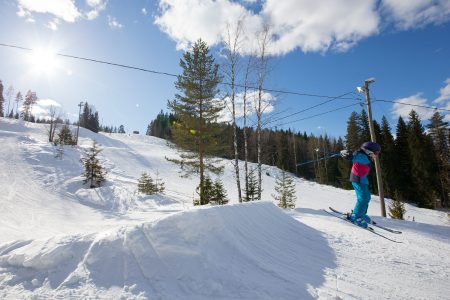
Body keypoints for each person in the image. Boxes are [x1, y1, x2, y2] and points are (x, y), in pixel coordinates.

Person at [340, 141, 381, 228]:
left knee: (366, 197)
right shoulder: (362, 156)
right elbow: (354, 157)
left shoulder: (366, 156)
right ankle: (355, 216)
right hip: (358, 179)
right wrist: (348, 155)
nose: (377, 155)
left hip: (362, 180)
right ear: (369, 151)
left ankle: (360, 214)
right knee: (363, 197)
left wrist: (350, 155)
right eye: (376, 152)